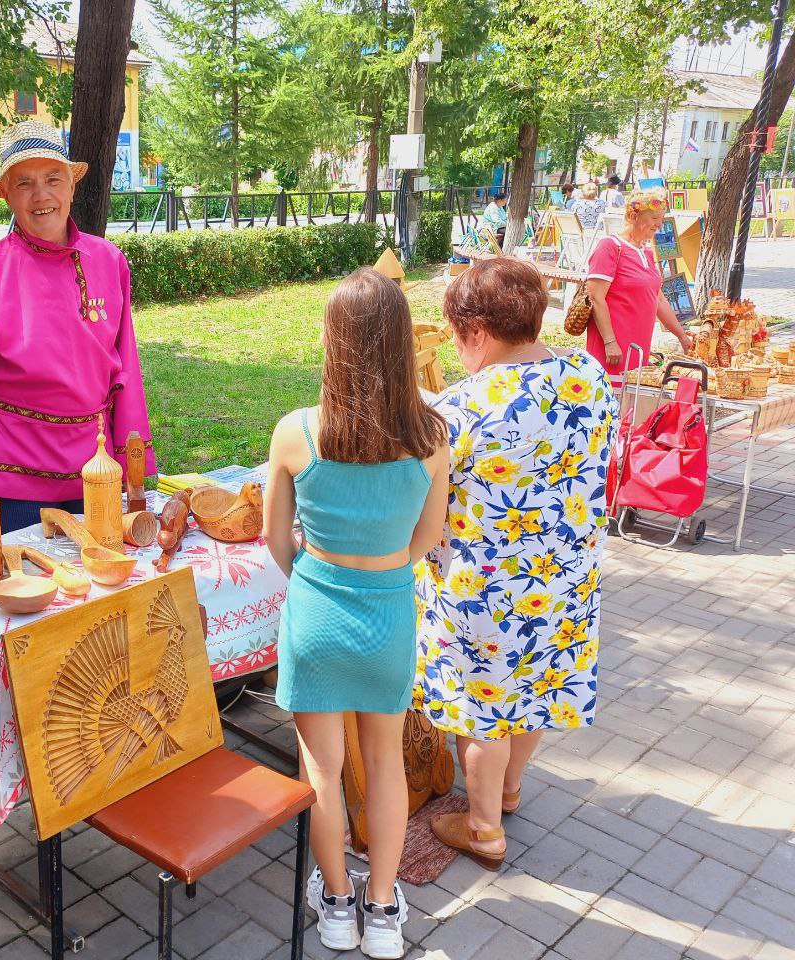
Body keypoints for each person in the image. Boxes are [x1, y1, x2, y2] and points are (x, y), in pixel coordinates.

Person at [264, 268, 449, 958]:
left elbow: (275, 540)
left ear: (331, 341)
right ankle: (383, 911)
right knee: (385, 763)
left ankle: (337, 905)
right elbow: (427, 539)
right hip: (388, 614)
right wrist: (383, 567)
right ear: (402, 343)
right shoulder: (432, 436)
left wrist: (317, 577)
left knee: (321, 770)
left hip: (316, 611)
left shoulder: (296, 432)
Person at [416, 258, 617, 871]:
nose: (457, 349)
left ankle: (483, 830)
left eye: (458, 335)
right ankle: (506, 791)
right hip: (564, 578)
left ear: (477, 332)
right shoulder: (587, 375)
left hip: (486, 592)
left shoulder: (460, 408)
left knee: (482, 714)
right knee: (533, 688)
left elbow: (429, 502)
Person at [0, 119, 156, 532]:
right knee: (28, 572)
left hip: (97, 470)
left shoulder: (109, 262)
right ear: (7, 195)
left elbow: (127, 370)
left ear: (71, 187)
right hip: (12, 478)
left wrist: (132, 461)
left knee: (102, 570)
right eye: (24, 183)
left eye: (53, 179)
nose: (41, 196)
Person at [585, 187, 693, 380]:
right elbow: (596, 297)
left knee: (633, 393)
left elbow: (659, 300)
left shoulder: (646, 252)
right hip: (613, 345)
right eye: (654, 218)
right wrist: (610, 342)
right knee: (611, 392)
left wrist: (682, 337)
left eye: (661, 218)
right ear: (633, 216)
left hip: (638, 343)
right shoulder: (610, 246)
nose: (659, 224)